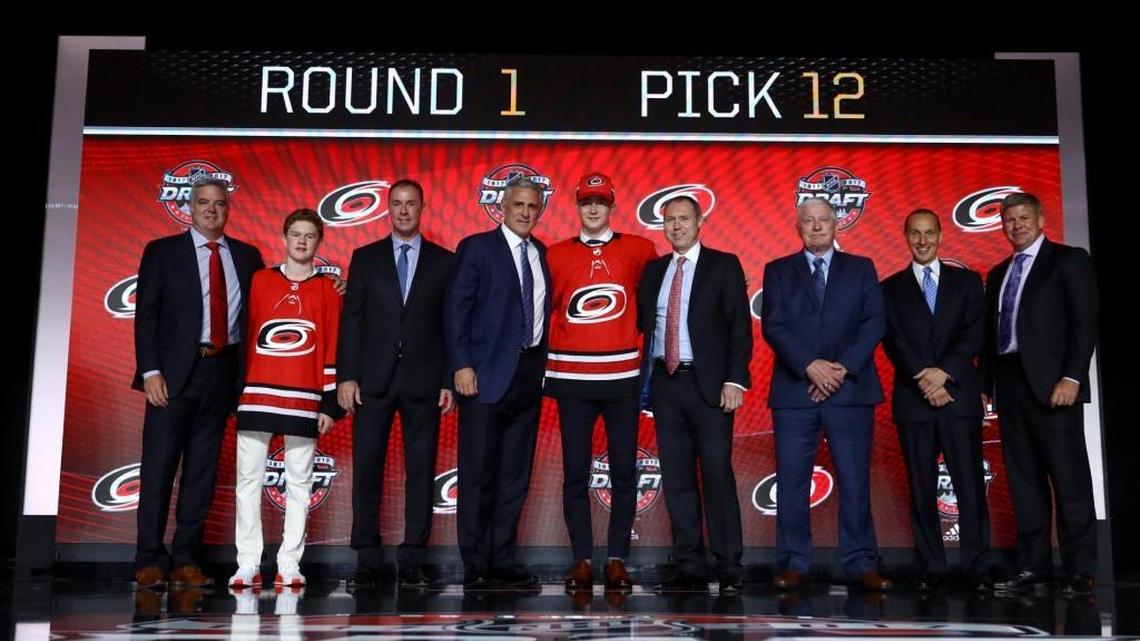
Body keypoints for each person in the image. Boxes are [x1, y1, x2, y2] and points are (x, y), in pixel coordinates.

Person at [132, 177, 264, 589]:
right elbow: (146, 317)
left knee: (201, 475)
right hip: (171, 379)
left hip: (222, 375)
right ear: (189, 208)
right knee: (158, 471)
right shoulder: (162, 252)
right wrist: (150, 371)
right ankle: (149, 558)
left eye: (219, 204)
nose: (212, 210)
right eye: (204, 203)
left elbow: (267, 307)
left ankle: (187, 558)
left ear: (229, 209)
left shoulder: (247, 256)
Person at [760, 197, 889, 591]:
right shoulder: (778, 270)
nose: (816, 227)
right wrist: (810, 366)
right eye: (809, 221)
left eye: (823, 220)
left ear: (837, 225)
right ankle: (794, 563)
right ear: (798, 227)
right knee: (793, 481)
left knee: (854, 481)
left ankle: (860, 563)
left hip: (849, 390)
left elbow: (874, 322)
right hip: (795, 391)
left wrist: (839, 369)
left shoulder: (861, 268)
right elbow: (774, 325)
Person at [337, 179, 456, 589]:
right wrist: (347, 376)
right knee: (367, 469)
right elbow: (351, 320)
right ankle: (368, 558)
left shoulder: (445, 261)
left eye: (411, 204)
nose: (404, 211)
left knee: (421, 472)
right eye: (397, 204)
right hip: (373, 380)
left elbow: (450, 326)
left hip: (425, 381)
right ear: (388, 209)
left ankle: (413, 559)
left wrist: (447, 379)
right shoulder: (365, 258)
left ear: (423, 208)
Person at [980, 192, 1099, 595]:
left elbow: (1085, 324)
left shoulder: (1068, 260)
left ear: (1041, 219)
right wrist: (985, 387)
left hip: (1054, 386)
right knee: (1024, 480)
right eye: (1009, 220)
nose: (1016, 225)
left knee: (1069, 480)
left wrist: (1072, 378)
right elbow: (988, 337)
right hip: (1010, 384)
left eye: (1023, 218)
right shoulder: (997, 273)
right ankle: (1033, 567)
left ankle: (1079, 569)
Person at [545, 172, 657, 593]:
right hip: (572, 378)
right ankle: (581, 561)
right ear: (576, 206)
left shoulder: (640, 250)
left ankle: (616, 560)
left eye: (601, 202)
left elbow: (657, 301)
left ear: (612, 206)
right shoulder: (554, 255)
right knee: (575, 473)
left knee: (624, 472)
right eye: (586, 202)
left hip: (622, 378)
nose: (593, 209)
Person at [636, 195, 752, 593]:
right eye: (669, 220)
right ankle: (689, 563)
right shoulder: (654, 272)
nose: (676, 226)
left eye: (684, 219)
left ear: (699, 221)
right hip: (666, 386)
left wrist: (735, 380)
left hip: (711, 387)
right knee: (677, 477)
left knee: (717, 475)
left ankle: (728, 565)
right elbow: (643, 326)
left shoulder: (724, 265)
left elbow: (740, 327)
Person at [445, 174, 552, 590]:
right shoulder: (476, 248)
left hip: (527, 377)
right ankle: (475, 564)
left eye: (533, 207)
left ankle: (502, 559)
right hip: (483, 376)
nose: (526, 213)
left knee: (513, 475)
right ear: (502, 207)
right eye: (519, 205)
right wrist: (462, 365)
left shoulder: (540, 253)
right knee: (477, 473)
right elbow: (456, 311)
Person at [228, 209, 343, 589]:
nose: (301, 241)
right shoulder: (259, 281)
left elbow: (330, 347)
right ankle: (247, 564)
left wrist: (329, 403)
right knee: (248, 480)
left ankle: (289, 564)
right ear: (284, 236)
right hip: (258, 395)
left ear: (318, 241)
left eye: (310, 236)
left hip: (304, 398)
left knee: (299, 483)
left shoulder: (328, 290)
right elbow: (244, 337)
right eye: (295, 234)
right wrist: (238, 391)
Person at [881, 208, 991, 592]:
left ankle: (975, 567)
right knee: (921, 488)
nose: (923, 240)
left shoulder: (967, 282)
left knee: (970, 486)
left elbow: (974, 335)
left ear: (942, 236)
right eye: (915, 233)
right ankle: (933, 568)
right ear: (906, 236)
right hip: (914, 402)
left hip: (958, 398)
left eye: (929, 233)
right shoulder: (889, 287)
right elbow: (893, 340)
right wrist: (925, 379)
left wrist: (944, 374)